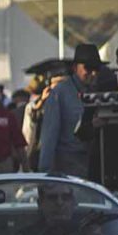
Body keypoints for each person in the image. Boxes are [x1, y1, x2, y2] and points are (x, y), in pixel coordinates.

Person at [38, 45, 102, 176]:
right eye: (88, 68)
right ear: (75, 68)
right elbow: (49, 136)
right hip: (68, 168)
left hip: (95, 167)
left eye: (96, 69)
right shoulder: (60, 93)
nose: (93, 73)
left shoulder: (100, 91)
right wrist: (45, 175)